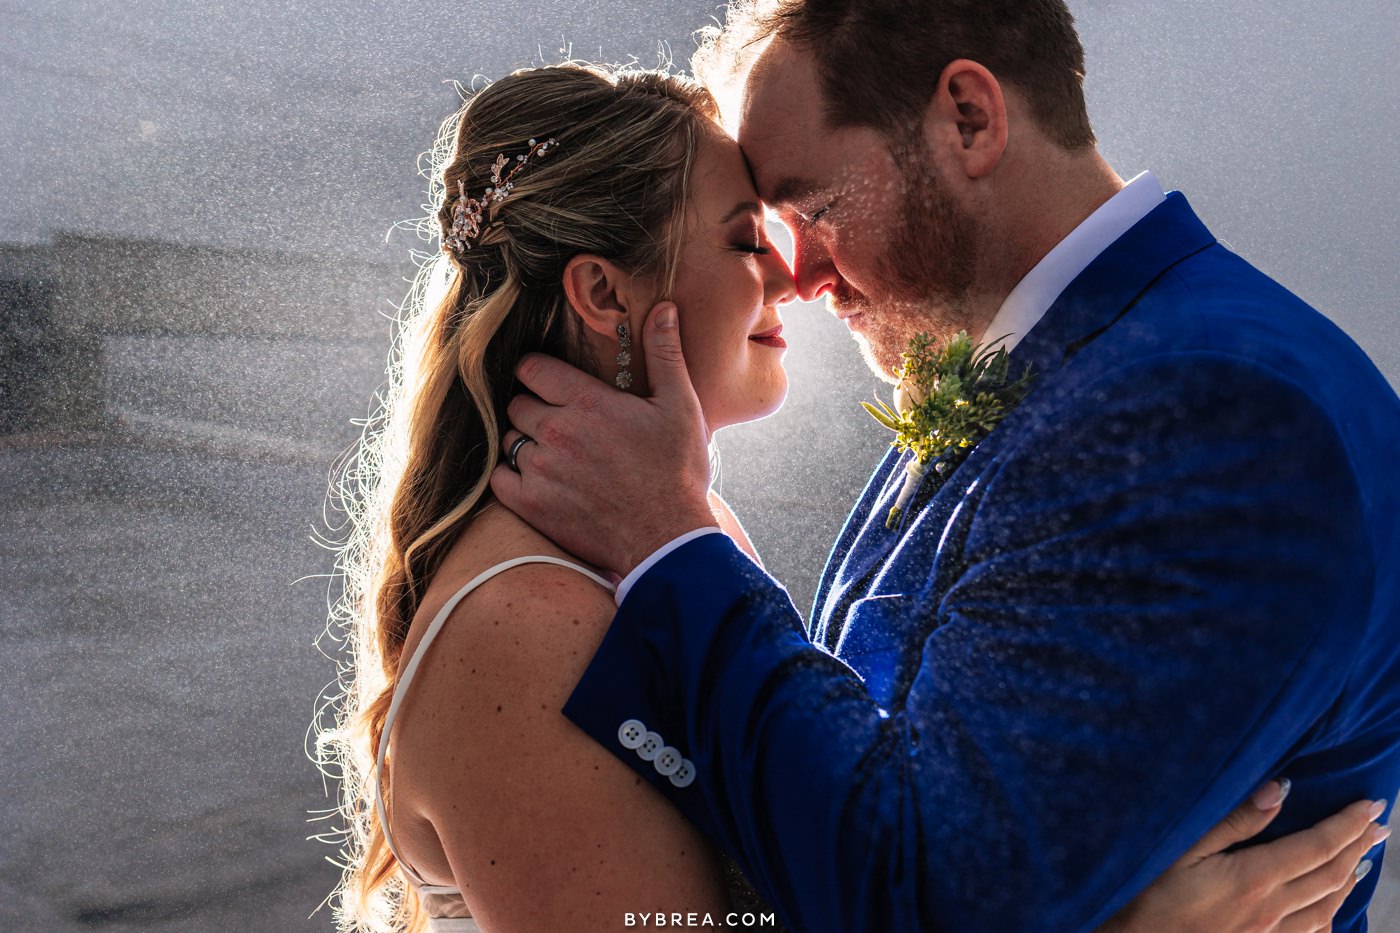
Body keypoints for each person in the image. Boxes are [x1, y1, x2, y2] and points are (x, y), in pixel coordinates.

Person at [315, 61, 1380, 933]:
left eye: (797, 220)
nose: (791, 277)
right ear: (602, 291)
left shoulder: (666, 543)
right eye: (747, 238)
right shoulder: (526, 623)